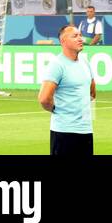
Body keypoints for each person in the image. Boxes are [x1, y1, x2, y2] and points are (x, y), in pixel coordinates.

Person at [38, 24, 96, 156]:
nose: (80, 39)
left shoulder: (85, 62)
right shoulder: (57, 65)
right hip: (64, 132)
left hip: (86, 131)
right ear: (63, 41)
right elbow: (44, 99)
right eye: (75, 36)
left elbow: (92, 91)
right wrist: (56, 110)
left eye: (80, 35)